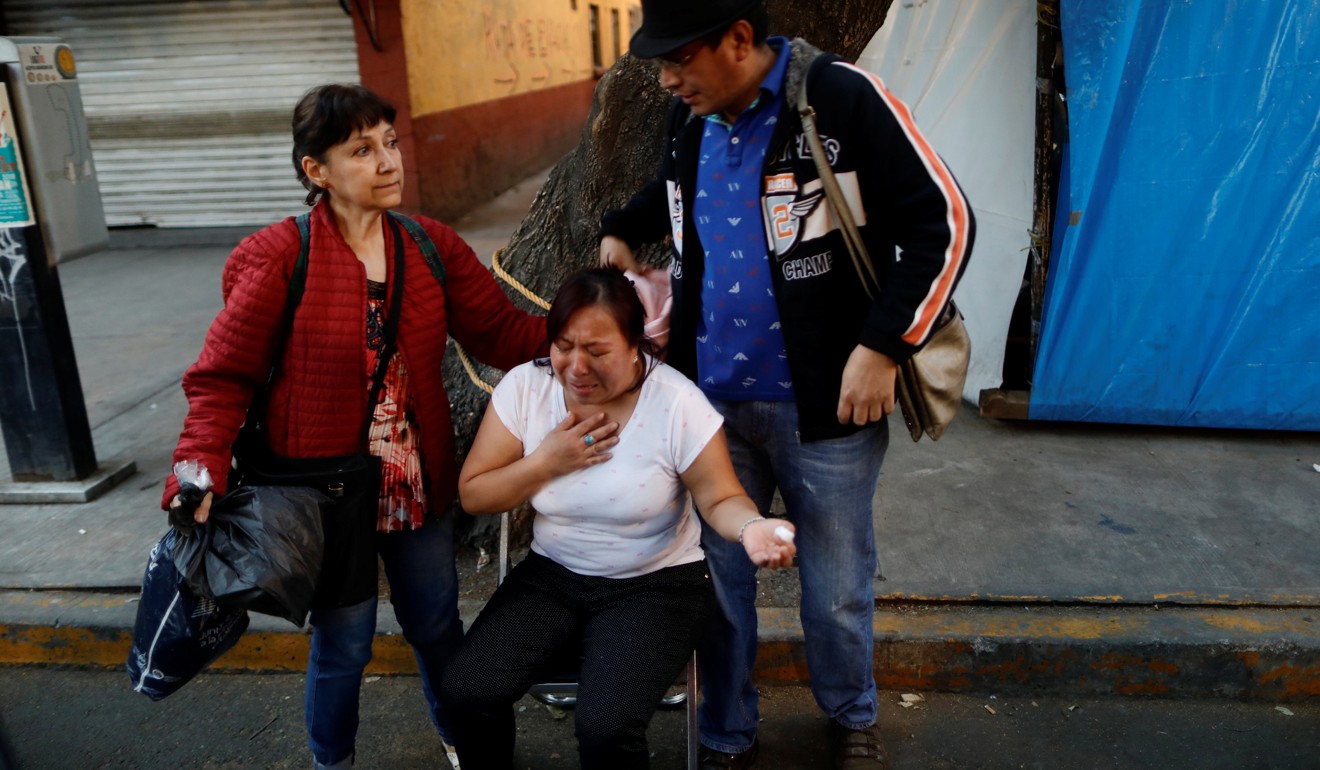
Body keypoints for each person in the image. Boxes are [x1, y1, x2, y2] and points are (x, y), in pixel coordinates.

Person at [598, 2, 975, 768]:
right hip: (709, 409)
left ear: (739, 39)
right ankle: (726, 731)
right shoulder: (689, 118)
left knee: (834, 588)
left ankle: (851, 716)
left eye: (680, 60)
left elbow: (946, 220)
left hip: (825, 409)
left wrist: (880, 346)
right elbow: (669, 192)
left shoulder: (838, 98)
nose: (667, 79)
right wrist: (620, 225)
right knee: (718, 583)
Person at [161, 84, 546, 770]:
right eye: (361, 150)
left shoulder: (429, 246)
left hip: (415, 485)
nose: (387, 162)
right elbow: (222, 377)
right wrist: (197, 470)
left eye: (390, 144)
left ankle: (463, 741)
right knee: (345, 645)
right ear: (317, 170)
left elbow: (503, 332)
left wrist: (592, 327)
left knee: (436, 627)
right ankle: (330, 761)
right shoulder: (284, 256)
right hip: (322, 496)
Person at [440, 268, 797, 769]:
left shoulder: (675, 402)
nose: (576, 367)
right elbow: (475, 494)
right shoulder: (527, 388)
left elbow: (719, 499)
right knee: (466, 690)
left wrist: (751, 527)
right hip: (553, 576)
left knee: (605, 726)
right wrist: (546, 461)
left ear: (636, 346)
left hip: (656, 584)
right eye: (563, 346)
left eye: (598, 351)